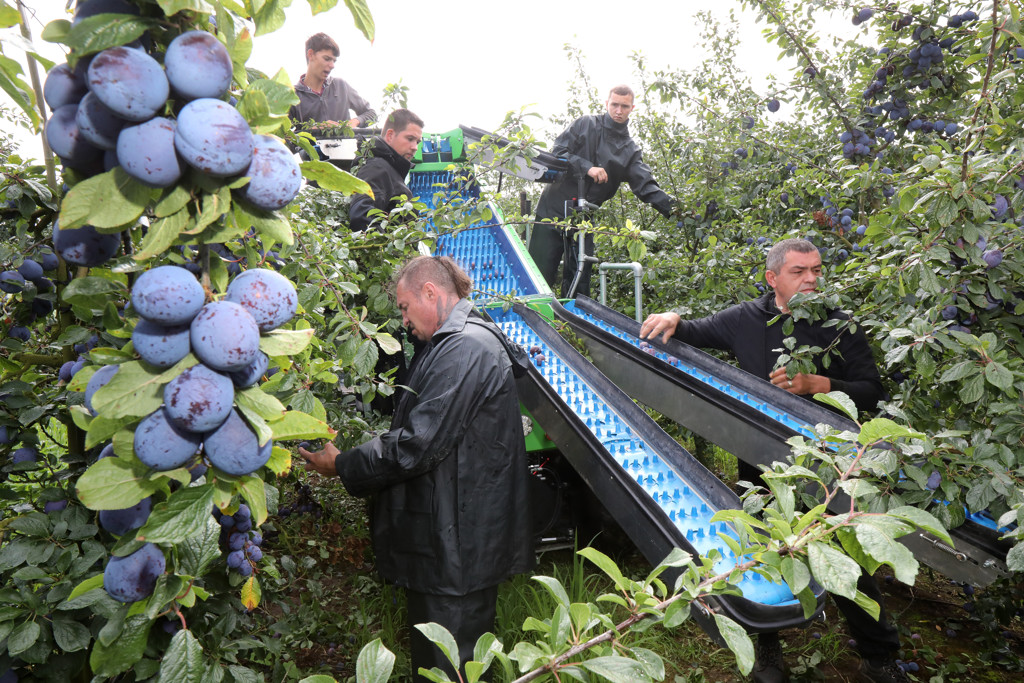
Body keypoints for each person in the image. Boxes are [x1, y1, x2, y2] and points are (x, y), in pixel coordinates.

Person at [639, 238, 905, 683]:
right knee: (764, 551)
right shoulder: (746, 320)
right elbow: (697, 331)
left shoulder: (839, 325)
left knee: (844, 559)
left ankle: (879, 656)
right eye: (800, 272)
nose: (812, 280)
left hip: (827, 467)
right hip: (760, 460)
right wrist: (674, 318)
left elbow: (873, 392)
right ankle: (768, 646)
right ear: (773, 278)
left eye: (816, 271)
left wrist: (821, 384)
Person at [300, 256, 534, 682]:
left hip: (457, 552)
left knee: (449, 666)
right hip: (450, 542)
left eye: (406, 307)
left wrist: (343, 465)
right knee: (439, 663)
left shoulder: (465, 349)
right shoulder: (452, 344)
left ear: (431, 292)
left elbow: (416, 444)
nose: (403, 320)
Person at [528, 84, 677, 298]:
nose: (618, 110)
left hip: (584, 218)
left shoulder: (630, 150)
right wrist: (587, 167)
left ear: (632, 108)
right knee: (538, 276)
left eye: (624, 106)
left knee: (579, 281)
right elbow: (558, 152)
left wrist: (678, 211)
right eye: (614, 104)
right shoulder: (585, 124)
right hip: (552, 212)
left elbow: (646, 186)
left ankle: (570, 328)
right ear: (607, 104)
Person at [349, 108, 423, 231]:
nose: (415, 147)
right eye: (410, 139)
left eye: (417, 142)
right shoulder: (377, 168)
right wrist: (387, 247)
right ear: (390, 135)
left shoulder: (390, 170)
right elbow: (362, 218)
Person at [289, 32, 377, 135]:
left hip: (345, 150)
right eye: (327, 59)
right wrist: (314, 129)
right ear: (311, 54)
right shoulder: (292, 96)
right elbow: (285, 136)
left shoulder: (341, 86)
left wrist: (355, 122)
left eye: (334, 61)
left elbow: (372, 114)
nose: (332, 65)